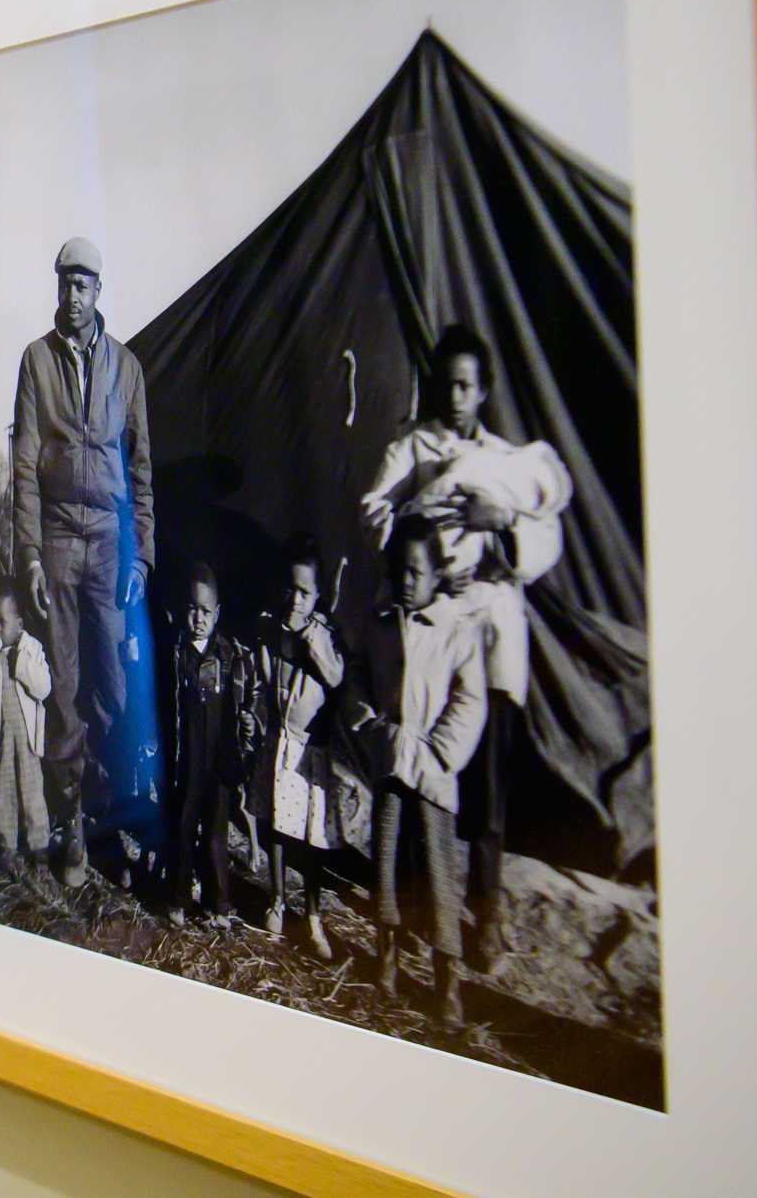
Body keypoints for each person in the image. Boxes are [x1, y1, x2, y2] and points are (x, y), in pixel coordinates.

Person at [358, 324, 571, 971]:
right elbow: (373, 509)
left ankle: (489, 906)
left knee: (488, 777)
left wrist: (499, 523)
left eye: (467, 385)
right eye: (446, 382)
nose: (456, 395)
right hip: (438, 623)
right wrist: (416, 540)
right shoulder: (412, 448)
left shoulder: (511, 460)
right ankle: (430, 905)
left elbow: (545, 538)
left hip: (493, 619)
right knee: (428, 766)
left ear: (484, 391)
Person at [12, 236, 155, 888]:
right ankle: (71, 829)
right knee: (66, 689)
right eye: (64, 282)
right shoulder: (35, 361)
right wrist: (33, 557)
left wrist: (142, 553)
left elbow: (142, 467)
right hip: (61, 537)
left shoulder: (127, 367)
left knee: (116, 688)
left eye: (83, 284)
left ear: (100, 292)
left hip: (110, 541)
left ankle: (113, 814)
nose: (72, 295)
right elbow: (23, 466)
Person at [344, 520, 488, 1032]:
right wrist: (370, 724)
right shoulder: (381, 621)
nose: (406, 581)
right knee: (384, 861)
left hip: (430, 768)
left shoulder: (456, 628)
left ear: (436, 575)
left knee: (436, 872)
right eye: (398, 570)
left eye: (416, 571)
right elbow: (357, 672)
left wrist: (441, 753)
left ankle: (446, 978)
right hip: (390, 757)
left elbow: (470, 698)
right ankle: (386, 956)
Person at [252, 538, 345, 957]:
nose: (296, 598)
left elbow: (336, 678)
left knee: (310, 837)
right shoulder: (270, 629)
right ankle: (276, 899)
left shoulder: (323, 635)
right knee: (275, 824)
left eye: (305, 592)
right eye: (290, 588)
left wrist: (313, 640)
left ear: (318, 596)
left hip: (310, 749)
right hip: (279, 741)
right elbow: (262, 680)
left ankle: (312, 915)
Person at [162, 562, 258, 927]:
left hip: (218, 762)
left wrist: (248, 723)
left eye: (205, 611)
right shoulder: (177, 653)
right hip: (186, 758)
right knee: (184, 829)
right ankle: (179, 899)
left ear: (217, 613)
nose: (198, 618)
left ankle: (220, 905)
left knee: (216, 835)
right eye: (192, 609)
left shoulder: (230, 655)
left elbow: (250, 697)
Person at [0, 584, 54, 863]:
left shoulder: (32, 650)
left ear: (19, 623)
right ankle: (6, 840)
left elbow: (44, 688)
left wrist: (22, 665)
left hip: (26, 736)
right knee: (4, 788)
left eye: (2, 622)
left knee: (31, 788)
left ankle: (39, 842)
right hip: (4, 734)